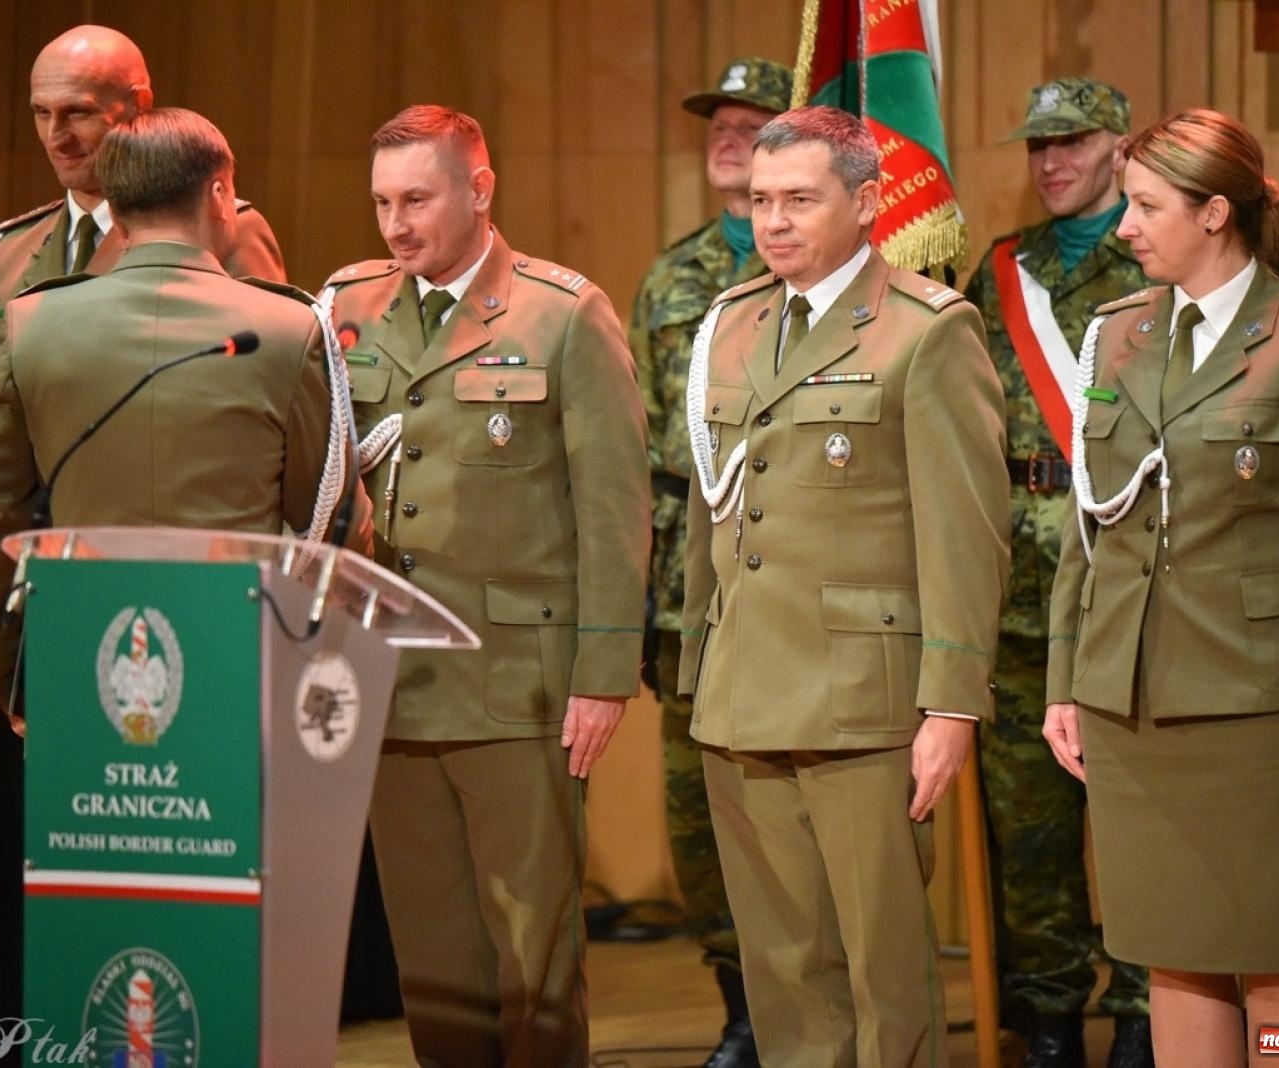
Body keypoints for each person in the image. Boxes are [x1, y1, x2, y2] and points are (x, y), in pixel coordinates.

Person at [0, 24, 289, 1033]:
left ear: (134, 107)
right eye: (41, 114)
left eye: (77, 112)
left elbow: (263, 417)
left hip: (194, 599)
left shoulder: (225, 229)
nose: (57, 134)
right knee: (81, 856)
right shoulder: (14, 253)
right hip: (60, 599)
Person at [1044, 109, 1279, 1068]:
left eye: (1146, 206)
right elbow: (1092, 523)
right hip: (1135, 704)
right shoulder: (1112, 337)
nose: (1124, 227)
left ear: (1215, 213)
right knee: (1173, 962)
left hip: (1263, 709)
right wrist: (1066, 680)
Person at [678, 105, 1009, 1066]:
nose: (772, 221)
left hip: (866, 699)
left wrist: (951, 703)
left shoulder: (926, 330)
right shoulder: (732, 325)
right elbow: (717, 514)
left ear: (866, 204)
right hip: (742, 695)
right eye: (760, 200)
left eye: (798, 200)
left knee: (884, 970)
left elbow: (967, 534)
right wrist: (702, 665)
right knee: (783, 969)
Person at [319, 105, 649, 1067]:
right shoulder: (345, 308)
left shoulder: (561, 312)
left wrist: (604, 673)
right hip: (389, 679)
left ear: (480, 189)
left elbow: (615, 506)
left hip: (519, 681)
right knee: (433, 951)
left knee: (532, 953)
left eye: (416, 198)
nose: (395, 224)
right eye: (381, 202)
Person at [0, 107, 360, 710]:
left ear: (113, 210)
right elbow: (333, 522)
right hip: (237, 664)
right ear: (220, 194)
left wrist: (12, 672)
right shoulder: (288, 327)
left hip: (76, 654)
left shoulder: (34, 322)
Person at [963, 76, 1153, 1068]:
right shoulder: (1000, 271)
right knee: (1025, 831)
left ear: (1120, 146)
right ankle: (1045, 1021)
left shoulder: (1163, 257)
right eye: (1036, 146)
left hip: (1129, 580)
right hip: (1016, 585)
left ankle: (1140, 1012)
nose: (1049, 163)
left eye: (1070, 143)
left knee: (1135, 817)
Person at [628, 54, 790, 1067]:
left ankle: (809, 1002)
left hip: (799, 579)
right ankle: (739, 1004)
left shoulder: (821, 272)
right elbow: (644, 455)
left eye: (751, 121)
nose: (726, 135)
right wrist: (642, 603)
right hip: (695, 591)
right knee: (699, 812)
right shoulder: (670, 277)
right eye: (716, 123)